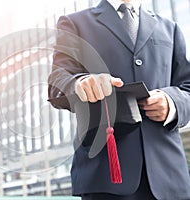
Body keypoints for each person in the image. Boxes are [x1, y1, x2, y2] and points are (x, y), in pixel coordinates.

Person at [48, 0, 190, 199]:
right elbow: (58, 81)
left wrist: (172, 102)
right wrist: (80, 82)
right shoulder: (74, 23)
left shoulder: (170, 28)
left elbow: (187, 87)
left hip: (169, 177)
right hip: (106, 174)